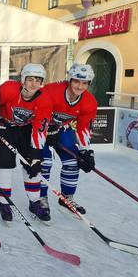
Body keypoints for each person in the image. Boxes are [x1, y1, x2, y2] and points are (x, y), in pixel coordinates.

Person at [0, 63, 52, 224]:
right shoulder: (8, 89)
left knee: (31, 165)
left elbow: (40, 128)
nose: (33, 83)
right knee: (4, 164)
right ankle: (4, 203)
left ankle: (34, 201)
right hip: (5, 126)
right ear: (23, 80)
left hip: (26, 130)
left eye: (38, 80)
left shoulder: (45, 100)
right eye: (30, 79)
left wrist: (37, 155)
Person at [40, 63, 98, 215]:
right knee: (45, 162)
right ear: (69, 80)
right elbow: (36, 111)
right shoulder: (51, 91)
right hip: (40, 128)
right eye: (77, 81)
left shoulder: (89, 102)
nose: (80, 86)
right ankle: (40, 198)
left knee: (73, 161)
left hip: (62, 129)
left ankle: (66, 198)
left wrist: (86, 151)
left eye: (84, 83)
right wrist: (47, 131)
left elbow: (84, 128)